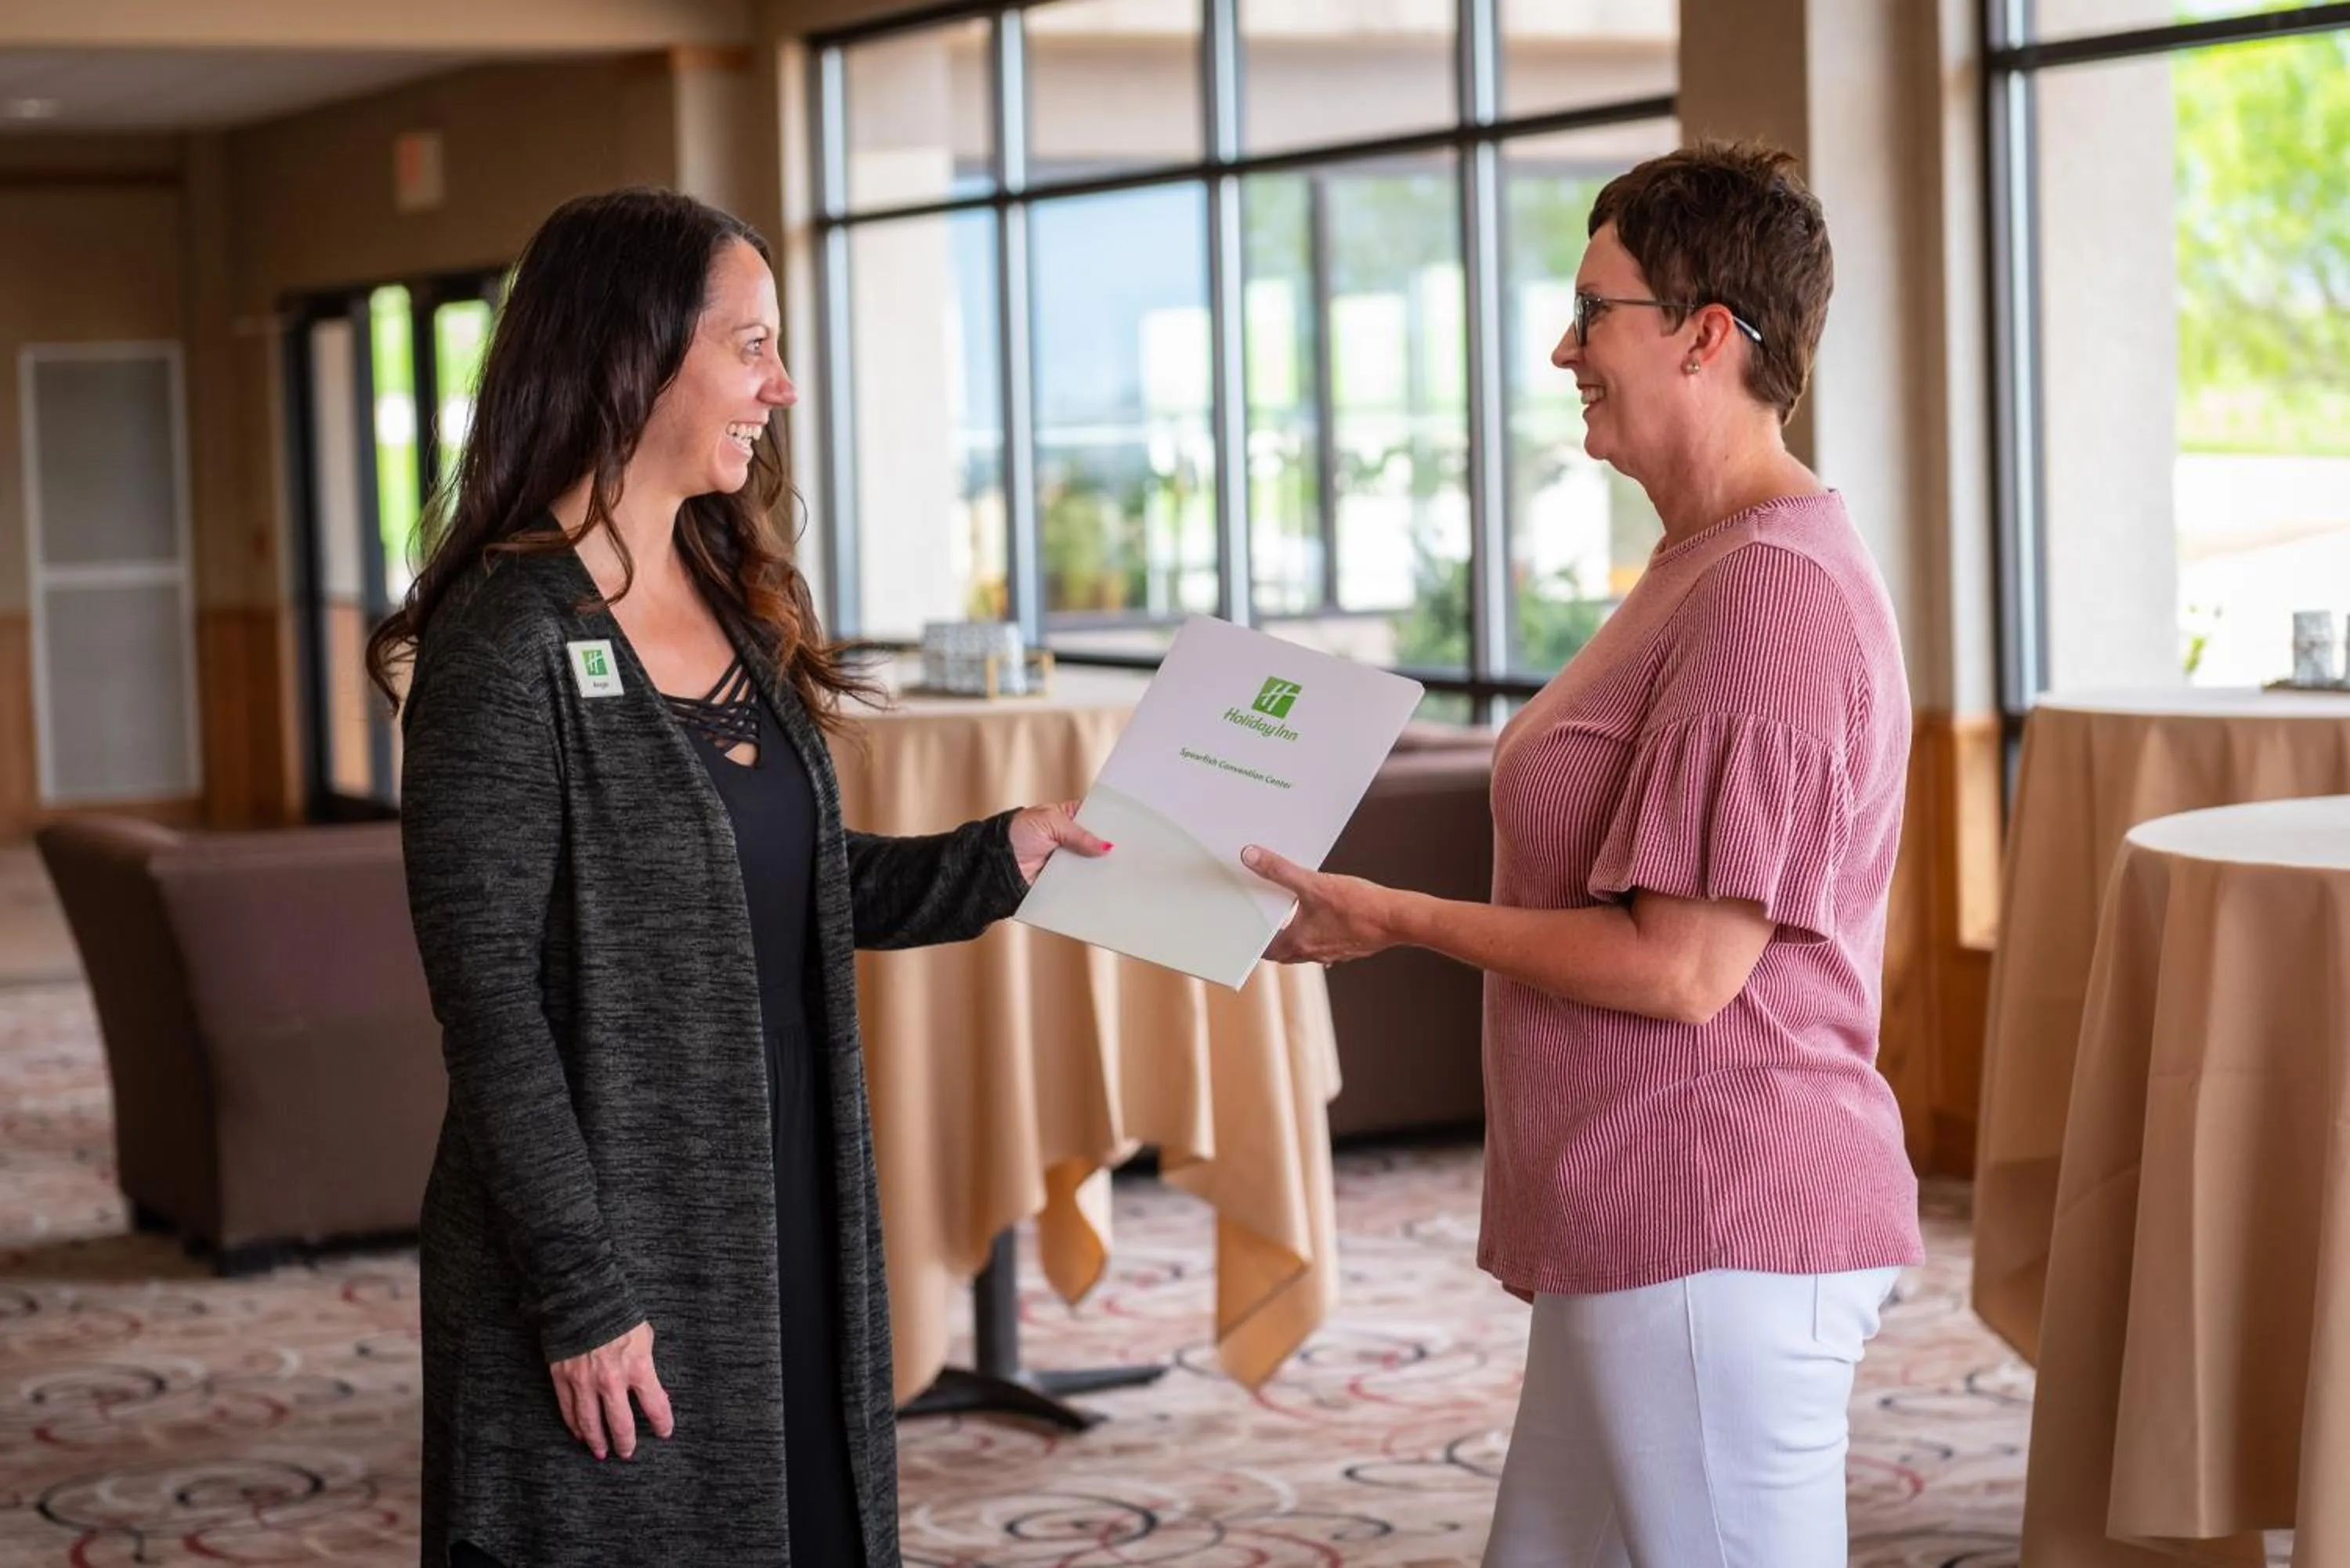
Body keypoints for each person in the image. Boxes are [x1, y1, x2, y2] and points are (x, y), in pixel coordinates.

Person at [368, 186, 1108, 1568]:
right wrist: (580, 1292)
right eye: (750, 343)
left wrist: (994, 858)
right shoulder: (505, 639)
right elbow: (490, 1003)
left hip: (782, 1207)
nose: (780, 384)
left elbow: (781, 887)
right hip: (610, 1240)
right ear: (629, 355)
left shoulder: (727, 591)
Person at [1240, 141, 1922, 1566]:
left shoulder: (1772, 595)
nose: (1563, 348)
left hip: (1719, 1229)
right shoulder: (1701, 561)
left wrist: (1399, 916)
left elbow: (1683, 969)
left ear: (1705, 333)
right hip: (1637, 1219)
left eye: (1593, 309)